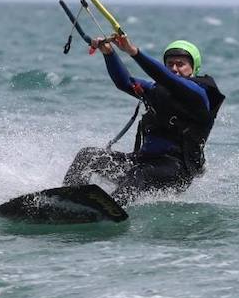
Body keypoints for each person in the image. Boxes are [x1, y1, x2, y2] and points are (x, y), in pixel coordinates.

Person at [63, 34, 225, 203]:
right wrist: (109, 53)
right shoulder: (156, 91)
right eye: (170, 64)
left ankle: (110, 208)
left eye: (181, 64)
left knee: (139, 173)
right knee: (88, 156)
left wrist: (133, 52)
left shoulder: (199, 95)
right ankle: (67, 200)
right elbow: (124, 82)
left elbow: (168, 79)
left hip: (176, 171)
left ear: (193, 69)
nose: (174, 68)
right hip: (143, 162)